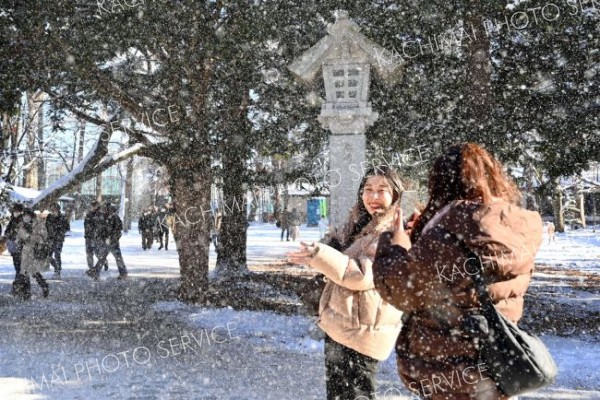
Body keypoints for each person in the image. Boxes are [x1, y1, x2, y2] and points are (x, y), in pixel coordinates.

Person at [372, 143, 544, 400]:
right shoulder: (514, 226)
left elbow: (399, 290)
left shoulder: (448, 232)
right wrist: (428, 232)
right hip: (498, 360)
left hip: (450, 368)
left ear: (442, 181)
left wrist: (395, 242)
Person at [287, 166, 405, 400]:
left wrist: (320, 255)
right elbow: (335, 256)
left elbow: (362, 275)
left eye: (382, 190)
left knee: (357, 394)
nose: (373, 196)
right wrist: (318, 249)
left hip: (363, 333)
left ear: (395, 195)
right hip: (339, 326)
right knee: (337, 395)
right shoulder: (356, 224)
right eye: (368, 189)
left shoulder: (393, 232)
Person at [13, 208, 51, 299]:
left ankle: (43, 286)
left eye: (27, 216)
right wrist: (19, 241)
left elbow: (43, 236)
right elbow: (18, 237)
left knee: (33, 271)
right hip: (25, 251)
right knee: (25, 272)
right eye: (24, 216)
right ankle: (25, 291)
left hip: (35, 251)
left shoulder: (38, 224)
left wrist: (33, 238)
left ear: (31, 216)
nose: (26, 217)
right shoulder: (21, 225)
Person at [88, 204, 127, 280]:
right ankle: (96, 272)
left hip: (113, 242)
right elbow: (100, 229)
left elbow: (118, 229)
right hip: (105, 241)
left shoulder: (114, 217)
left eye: (106, 209)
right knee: (103, 257)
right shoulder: (103, 217)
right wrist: (100, 237)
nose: (105, 210)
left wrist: (112, 238)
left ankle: (123, 273)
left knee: (116, 257)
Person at [45, 203, 70, 279]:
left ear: (57, 209)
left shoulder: (62, 217)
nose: (52, 211)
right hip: (50, 239)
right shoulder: (49, 217)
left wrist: (60, 232)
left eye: (54, 209)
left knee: (57, 255)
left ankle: (57, 272)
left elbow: (67, 227)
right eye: (51, 209)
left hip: (58, 239)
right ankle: (57, 267)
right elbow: (46, 226)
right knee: (48, 256)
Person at [4, 204, 25, 281]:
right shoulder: (13, 220)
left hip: (21, 247)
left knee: (20, 268)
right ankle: (19, 285)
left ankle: (20, 285)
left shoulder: (23, 220)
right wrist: (9, 234)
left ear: (20, 211)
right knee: (17, 267)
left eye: (17, 211)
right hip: (13, 246)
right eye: (14, 211)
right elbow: (7, 231)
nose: (15, 212)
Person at [84, 201, 107, 271]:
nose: (92, 207)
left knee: (98, 253)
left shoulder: (101, 215)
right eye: (92, 206)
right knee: (89, 254)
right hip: (89, 237)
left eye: (93, 206)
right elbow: (86, 225)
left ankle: (104, 261)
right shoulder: (88, 215)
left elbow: (103, 227)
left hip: (98, 238)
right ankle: (91, 268)